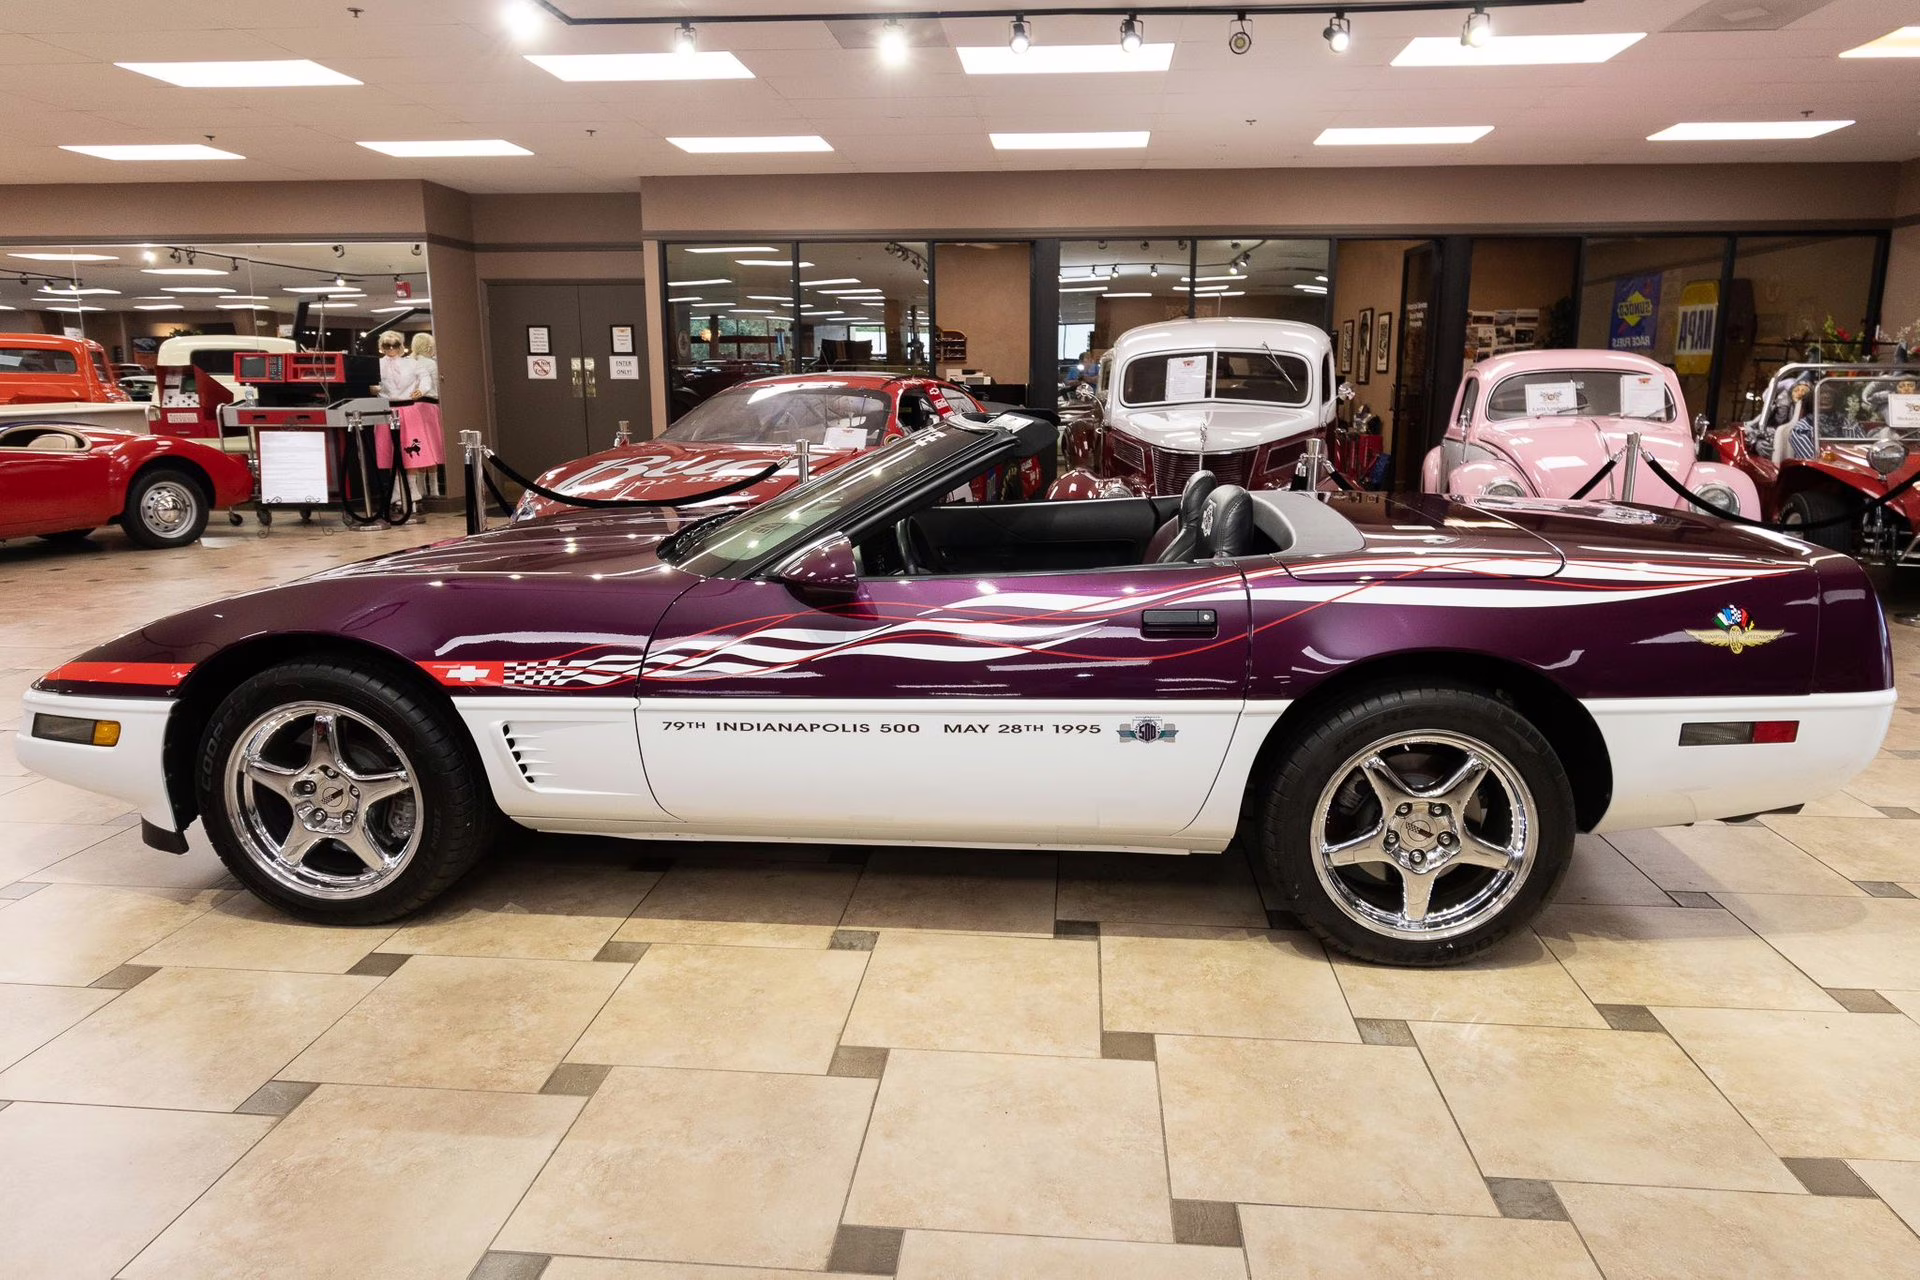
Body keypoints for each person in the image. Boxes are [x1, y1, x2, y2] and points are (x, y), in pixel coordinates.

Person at [395, 332, 444, 501]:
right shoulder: (431, 364)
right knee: (432, 445)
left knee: (418, 447)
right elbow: (437, 386)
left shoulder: (407, 362)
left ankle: (419, 489)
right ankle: (434, 489)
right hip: (429, 405)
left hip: (411, 407)